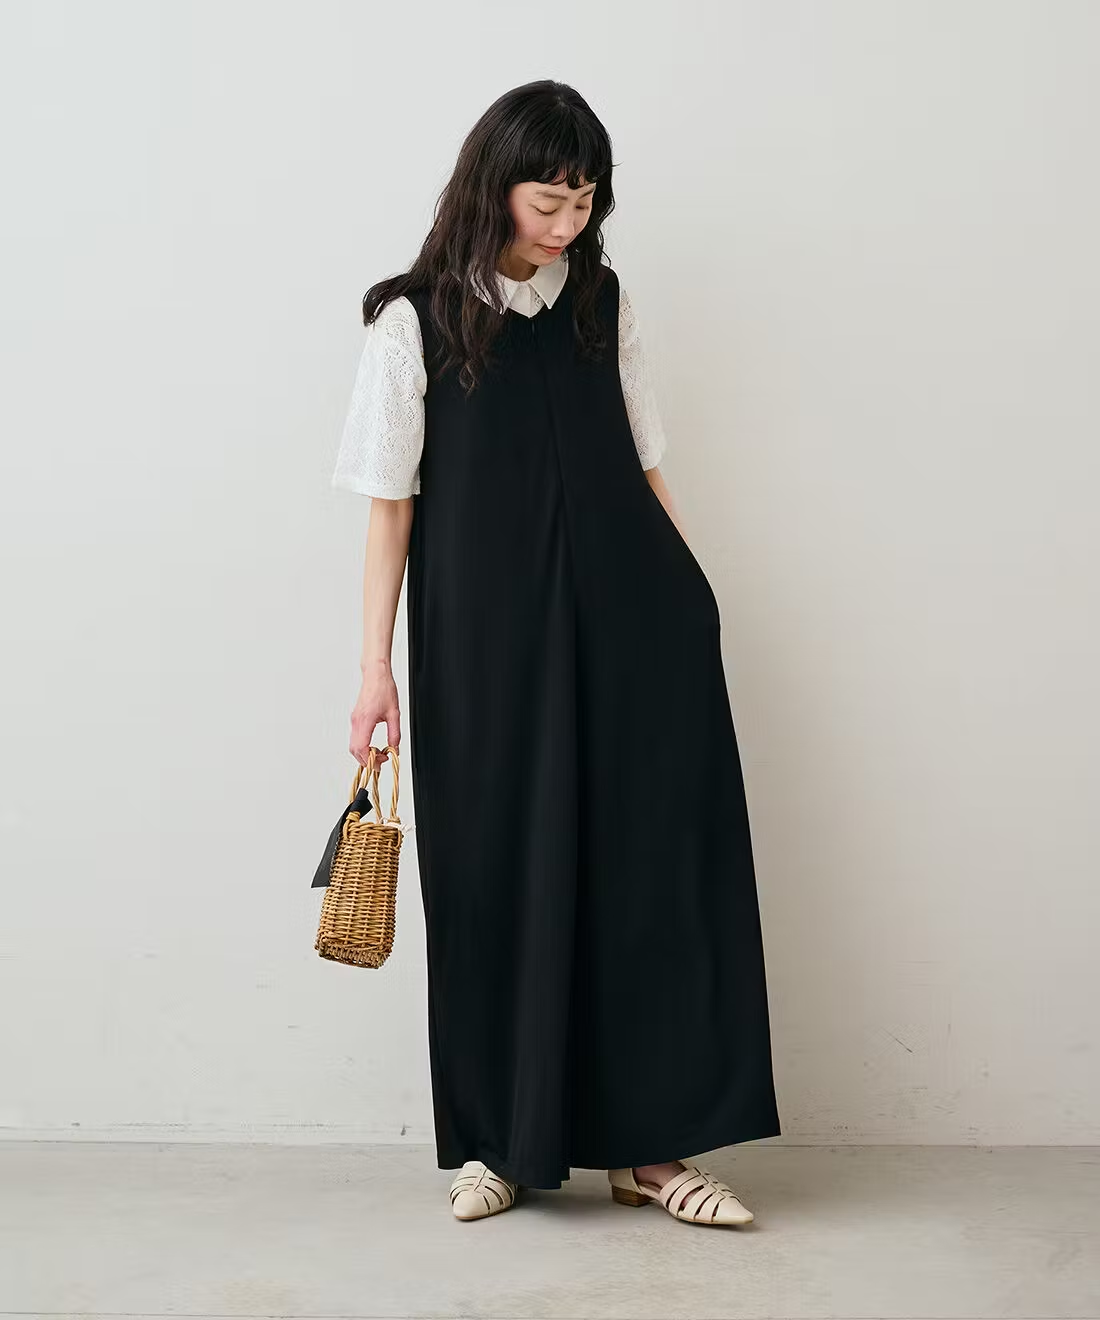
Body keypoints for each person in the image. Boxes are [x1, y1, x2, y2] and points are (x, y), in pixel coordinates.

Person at [329, 79, 782, 1226]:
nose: (567, 223)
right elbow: (389, 505)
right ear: (495, 186)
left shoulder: (599, 301)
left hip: (631, 627)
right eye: (548, 200)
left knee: (641, 877)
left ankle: (650, 1154)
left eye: (585, 202)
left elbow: (640, 457)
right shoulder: (413, 320)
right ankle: (495, 1143)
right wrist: (374, 668)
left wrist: (692, 592)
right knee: (489, 869)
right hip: (482, 642)